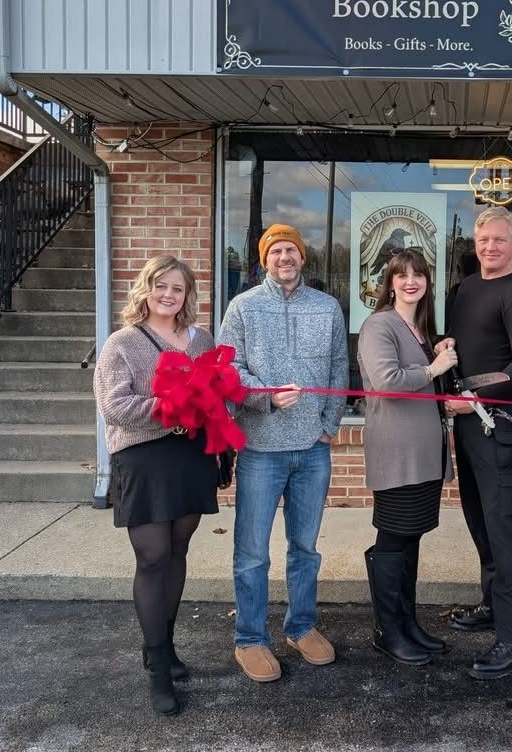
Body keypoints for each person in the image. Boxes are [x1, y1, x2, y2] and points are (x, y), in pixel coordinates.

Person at [93, 254, 228, 716]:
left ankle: (165, 647)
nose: (169, 295)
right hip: (144, 458)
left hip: (190, 456)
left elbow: (216, 393)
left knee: (177, 551)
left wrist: (214, 414)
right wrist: (172, 405)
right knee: (152, 557)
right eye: (161, 286)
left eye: (178, 288)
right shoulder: (122, 343)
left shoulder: (201, 339)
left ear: (187, 295)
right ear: (146, 289)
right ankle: (156, 671)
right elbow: (114, 407)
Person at [218, 223, 349, 684]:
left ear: (302, 256)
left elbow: (339, 366)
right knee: (253, 552)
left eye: (290, 249)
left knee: (305, 549)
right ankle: (250, 638)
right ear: (264, 260)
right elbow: (228, 368)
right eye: (275, 251)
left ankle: (301, 627)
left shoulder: (326, 307)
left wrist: (330, 424)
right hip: (261, 449)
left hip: (312, 450)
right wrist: (266, 397)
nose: (284, 258)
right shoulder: (243, 307)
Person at [444, 207, 512, 680]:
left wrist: (475, 397)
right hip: (468, 424)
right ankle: (493, 605)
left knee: (508, 531)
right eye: (483, 238)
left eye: (500, 239)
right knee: (480, 521)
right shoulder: (466, 288)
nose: (490, 246)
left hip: (501, 424)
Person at [357, 249, 459, 666]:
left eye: (419, 275)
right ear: (390, 283)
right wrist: (435, 368)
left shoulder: (420, 329)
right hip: (396, 452)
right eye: (402, 275)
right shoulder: (379, 325)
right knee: (394, 538)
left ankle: (408, 623)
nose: (411, 281)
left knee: (411, 537)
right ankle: (388, 631)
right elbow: (387, 381)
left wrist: (440, 353)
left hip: (425, 452)